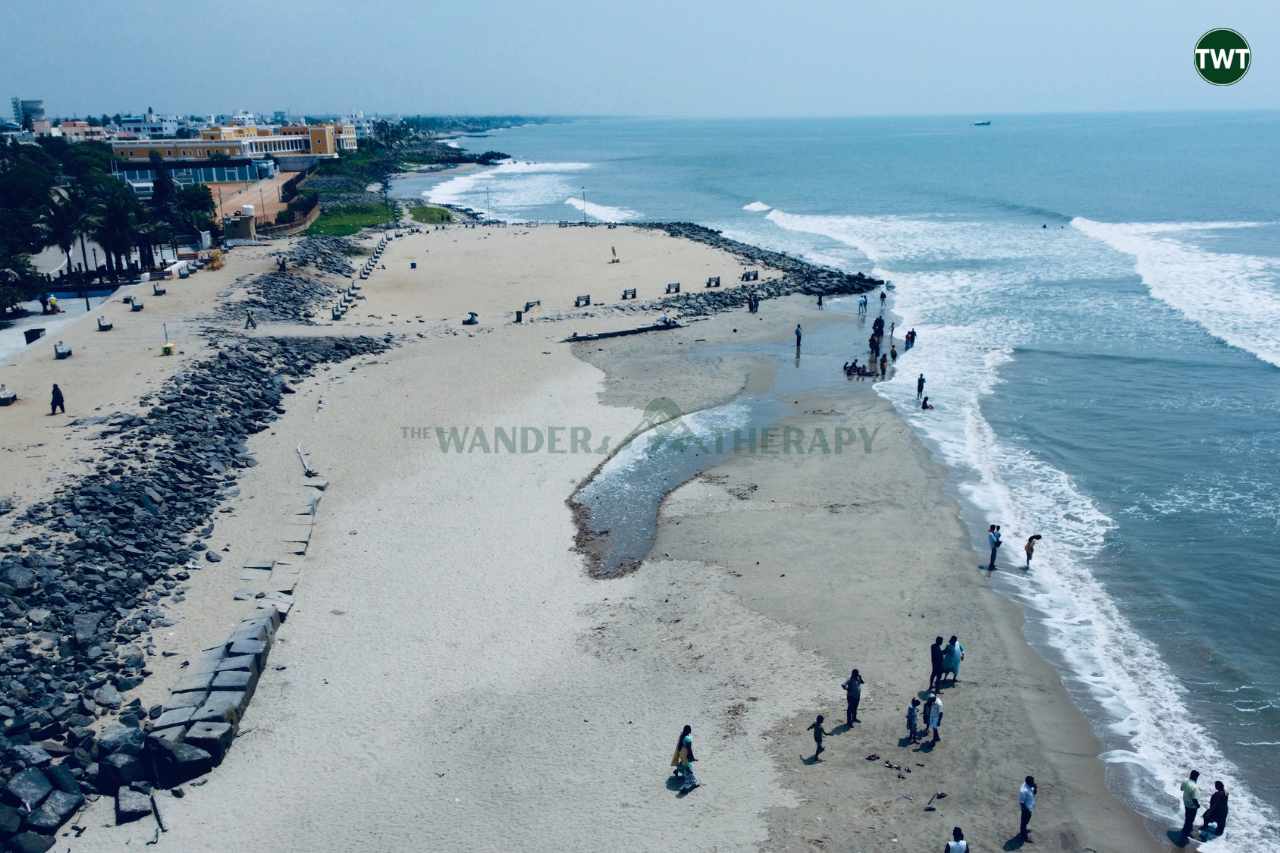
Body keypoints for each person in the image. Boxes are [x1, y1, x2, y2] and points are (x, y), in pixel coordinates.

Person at [675, 728, 699, 793]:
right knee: (689, 773)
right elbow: (689, 750)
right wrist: (692, 758)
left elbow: (680, 748)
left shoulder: (681, 736)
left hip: (682, 755)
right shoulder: (688, 739)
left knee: (686, 768)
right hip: (685, 756)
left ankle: (677, 770)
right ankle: (688, 786)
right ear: (689, 731)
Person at [1181, 770, 1201, 839]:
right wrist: (1197, 805)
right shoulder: (1195, 787)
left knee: (1187, 817)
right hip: (1192, 806)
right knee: (1190, 819)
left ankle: (1185, 828)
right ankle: (1187, 832)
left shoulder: (1185, 781)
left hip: (1185, 802)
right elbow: (1194, 799)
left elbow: (1181, 789)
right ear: (1196, 777)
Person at [1019, 775, 1038, 840]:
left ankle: (1023, 830)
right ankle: (1024, 836)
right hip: (1026, 809)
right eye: (1032, 782)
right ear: (1029, 783)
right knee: (1024, 822)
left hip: (1030, 807)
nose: (1034, 783)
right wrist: (1026, 811)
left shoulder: (1030, 786)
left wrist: (1035, 788)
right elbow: (1021, 803)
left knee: (1027, 820)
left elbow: (1034, 793)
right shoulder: (1023, 791)